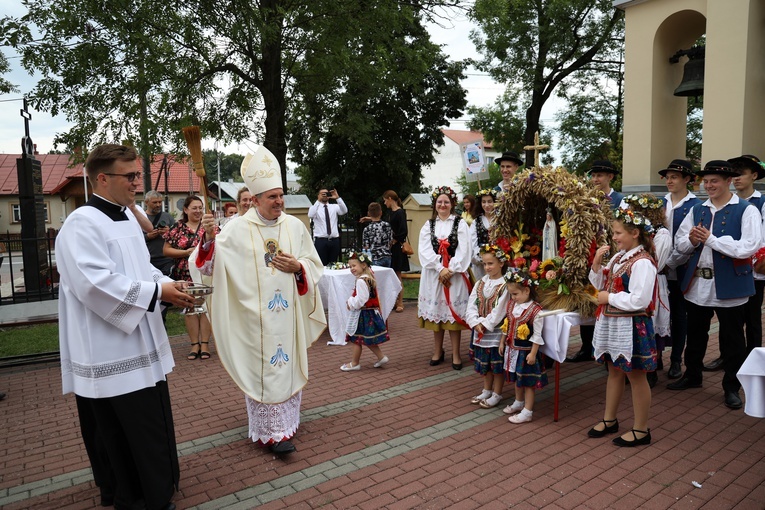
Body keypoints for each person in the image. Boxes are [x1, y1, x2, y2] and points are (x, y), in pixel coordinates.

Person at [56, 144, 192, 510]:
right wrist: (155, 291)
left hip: (139, 341)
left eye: (137, 175)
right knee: (123, 427)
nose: (137, 183)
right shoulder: (81, 223)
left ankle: (159, 484)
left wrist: (165, 285)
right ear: (102, 178)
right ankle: (135, 495)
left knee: (150, 419)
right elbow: (93, 283)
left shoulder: (127, 218)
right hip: (109, 346)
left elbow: (141, 266)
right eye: (129, 176)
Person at [196, 146, 326, 455]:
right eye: (272, 197)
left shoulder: (295, 226)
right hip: (255, 319)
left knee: (287, 365)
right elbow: (208, 268)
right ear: (255, 200)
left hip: (288, 316)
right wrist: (208, 241)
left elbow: (313, 264)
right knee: (264, 369)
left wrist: (299, 268)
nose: (279, 201)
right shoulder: (235, 230)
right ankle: (270, 431)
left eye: (281, 195)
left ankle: (287, 423)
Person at [668, 161, 761, 410]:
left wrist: (712, 240)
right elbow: (681, 244)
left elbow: (749, 246)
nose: (708, 186)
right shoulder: (698, 209)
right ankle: (692, 375)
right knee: (695, 334)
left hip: (731, 285)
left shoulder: (746, 210)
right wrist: (690, 241)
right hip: (698, 282)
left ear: (728, 181)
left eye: (714, 181)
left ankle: (732, 386)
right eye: (706, 181)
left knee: (732, 339)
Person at [587, 208, 657, 446]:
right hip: (611, 322)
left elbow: (640, 299)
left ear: (635, 233)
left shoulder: (643, 262)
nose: (614, 237)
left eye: (618, 233)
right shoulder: (619, 258)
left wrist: (610, 298)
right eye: (613, 232)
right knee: (614, 370)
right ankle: (610, 419)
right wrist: (596, 266)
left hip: (631, 325)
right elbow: (595, 292)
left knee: (636, 376)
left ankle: (641, 429)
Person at [568, 159, 624, 363]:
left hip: (613, 254)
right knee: (587, 297)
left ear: (610, 177)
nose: (595, 179)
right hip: (589, 254)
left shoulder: (620, 199)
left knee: (605, 298)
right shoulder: (586, 198)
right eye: (593, 175)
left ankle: (604, 346)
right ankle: (586, 346)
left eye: (599, 175)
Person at [418, 185, 472, 370]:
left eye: (446, 202)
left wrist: (451, 269)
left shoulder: (460, 223)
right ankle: (437, 350)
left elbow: (464, 250)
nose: (442, 204)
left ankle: (456, 353)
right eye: (439, 202)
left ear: (452, 204)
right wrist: (440, 268)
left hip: (454, 276)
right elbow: (424, 250)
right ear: (435, 204)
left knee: (452, 317)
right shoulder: (428, 225)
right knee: (438, 316)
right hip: (434, 275)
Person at [623, 194, 671, 389]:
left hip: (653, 283)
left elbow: (657, 262)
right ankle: (636, 364)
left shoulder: (661, 234)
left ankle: (651, 369)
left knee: (651, 322)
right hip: (634, 279)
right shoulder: (638, 233)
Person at [659, 159, 700, 379]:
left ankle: (676, 360)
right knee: (658, 312)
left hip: (683, 267)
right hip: (659, 269)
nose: (670, 181)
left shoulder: (695, 205)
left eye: (674, 177)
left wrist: (671, 262)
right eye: (667, 177)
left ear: (687, 179)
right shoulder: (659, 203)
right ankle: (656, 356)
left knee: (679, 315)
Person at [164, 195, 218, 360]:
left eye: (200, 208)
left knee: (206, 308)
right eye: (194, 208)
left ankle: (205, 343)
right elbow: (166, 250)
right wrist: (185, 253)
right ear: (185, 210)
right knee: (190, 308)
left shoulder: (209, 227)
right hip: (185, 274)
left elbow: (220, 245)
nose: (198, 211)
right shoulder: (177, 228)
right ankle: (194, 344)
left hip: (206, 273)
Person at [465, 245, 510, 408]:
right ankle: (486, 389)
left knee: (496, 364)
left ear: (501, 263)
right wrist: (474, 322)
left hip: (495, 331)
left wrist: (484, 324)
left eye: (490, 263)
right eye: (484, 264)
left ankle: (497, 393)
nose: (487, 267)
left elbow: (500, 310)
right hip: (480, 329)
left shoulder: (505, 285)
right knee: (485, 362)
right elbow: (471, 304)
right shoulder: (480, 283)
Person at [501, 267, 547, 423]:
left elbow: (537, 335)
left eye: (515, 294)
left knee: (528, 382)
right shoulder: (512, 306)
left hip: (526, 352)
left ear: (526, 291)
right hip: (513, 349)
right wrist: (502, 342)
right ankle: (518, 402)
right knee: (517, 378)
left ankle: (528, 411)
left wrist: (533, 353)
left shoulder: (536, 311)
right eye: (511, 294)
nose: (512, 298)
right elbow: (506, 325)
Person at [730, 154, 765, 357]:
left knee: (752, 316)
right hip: (731, 266)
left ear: (753, 175)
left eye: (741, 174)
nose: (736, 178)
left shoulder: (761, 202)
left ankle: (753, 357)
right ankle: (728, 356)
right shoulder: (729, 202)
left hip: (754, 269)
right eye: (734, 174)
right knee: (730, 317)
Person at [339, 252, 390, 371]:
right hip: (370, 313)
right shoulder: (369, 277)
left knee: (356, 339)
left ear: (363, 265)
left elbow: (361, 299)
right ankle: (381, 357)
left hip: (363, 315)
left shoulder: (361, 281)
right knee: (367, 338)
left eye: (354, 266)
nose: (352, 269)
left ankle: (354, 363)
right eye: (350, 266)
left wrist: (350, 302)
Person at [383, 190, 410, 312]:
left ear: (389, 198)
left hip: (397, 247)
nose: (384, 203)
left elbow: (404, 230)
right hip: (389, 248)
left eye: (385, 200)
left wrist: (395, 239)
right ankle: (393, 300)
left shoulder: (400, 212)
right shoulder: (389, 213)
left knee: (398, 275)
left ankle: (400, 302)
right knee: (391, 275)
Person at [309, 187, 347, 265]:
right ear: (318, 195)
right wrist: (318, 201)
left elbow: (344, 211)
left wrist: (338, 198)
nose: (324, 195)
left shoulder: (334, 207)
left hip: (334, 240)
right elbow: (311, 214)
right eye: (322, 194)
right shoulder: (315, 208)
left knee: (333, 264)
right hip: (321, 241)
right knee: (321, 265)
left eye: (326, 193)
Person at [143, 190, 175, 276]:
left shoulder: (167, 217)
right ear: (146, 202)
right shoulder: (141, 218)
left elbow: (177, 237)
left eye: (160, 202)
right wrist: (148, 236)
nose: (158, 205)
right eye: (154, 202)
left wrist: (168, 232)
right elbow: (134, 239)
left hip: (166, 259)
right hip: (148, 260)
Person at [468, 189, 498, 281]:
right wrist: (485, 260)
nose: (487, 205)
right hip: (481, 265)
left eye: (490, 202)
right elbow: (473, 244)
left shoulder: (500, 220)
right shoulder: (476, 222)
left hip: (499, 262)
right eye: (484, 202)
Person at [361, 202, 393, 267]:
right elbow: (390, 241)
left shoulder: (367, 229)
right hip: (386, 255)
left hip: (374, 257)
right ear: (381, 212)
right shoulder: (387, 225)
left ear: (368, 214)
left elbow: (366, 246)